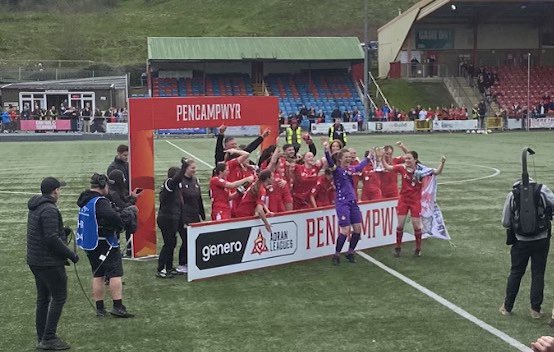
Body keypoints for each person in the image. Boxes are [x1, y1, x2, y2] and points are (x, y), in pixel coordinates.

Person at [27, 177, 78, 350]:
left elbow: (44, 232)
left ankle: (42, 336)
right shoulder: (49, 209)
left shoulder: (36, 206)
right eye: (59, 190)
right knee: (59, 297)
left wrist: (61, 231)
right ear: (54, 191)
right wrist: (71, 254)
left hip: (35, 260)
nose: (60, 192)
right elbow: (51, 240)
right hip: (48, 263)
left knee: (43, 299)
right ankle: (48, 338)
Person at [76, 173, 133, 318]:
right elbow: (113, 217)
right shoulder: (100, 202)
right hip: (105, 243)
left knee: (98, 274)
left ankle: (100, 308)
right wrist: (123, 221)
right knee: (115, 274)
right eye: (107, 184)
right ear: (102, 185)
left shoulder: (85, 200)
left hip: (91, 243)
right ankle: (118, 306)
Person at [500, 177, 554, 319]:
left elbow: (505, 222)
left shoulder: (512, 194)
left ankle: (507, 307)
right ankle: (535, 310)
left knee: (516, 272)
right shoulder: (542, 190)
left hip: (520, 241)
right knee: (538, 273)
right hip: (542, 239)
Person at [381, 151, 446, 257]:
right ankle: (398, 248)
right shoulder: (402, 168)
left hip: (415, 201)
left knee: (416, 225)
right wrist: (382, 157)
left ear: (415, 160)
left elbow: (437, 172)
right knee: (400, 225)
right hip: (403, 200)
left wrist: (442, 163)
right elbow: (388, 167)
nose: (407, 161)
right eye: (406, 159)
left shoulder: (422, 170)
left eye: (409, 159)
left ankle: (418, 248)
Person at [324, 142, 371, 264]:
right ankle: (336, 255)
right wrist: (326, 150)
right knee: (345, 230)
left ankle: (350, 252)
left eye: (350, 157)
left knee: (357, 229)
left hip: (353, 202)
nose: (349, 159)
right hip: (342, 203)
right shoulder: (336, 170)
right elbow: (330, 162)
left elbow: (360, 167)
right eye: (346, 157)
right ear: (340, 159)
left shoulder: (351, 169)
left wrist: (369, 158)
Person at [156, 159, 187, 278]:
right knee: (168, 244)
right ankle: (161, 268)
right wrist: (184, 166)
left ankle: (168, 267)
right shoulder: (169, 183)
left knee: (172, 243)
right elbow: (177, 179)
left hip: (171, 218)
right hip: (167, 218)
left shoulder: (174, 187)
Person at [176, 159, 205, 274]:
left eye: (195, 167)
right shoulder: (180, 182)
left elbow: (199, 198)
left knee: (194, 240)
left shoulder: (195, 180)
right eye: (192, 168)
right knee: (186, 240)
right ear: (186, 168)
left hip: (195, 215)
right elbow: (179, 201)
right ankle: (182, 263)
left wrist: (201, 213)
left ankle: (191, 261)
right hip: (184, 216)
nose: (194, 170)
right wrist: (182, 218)